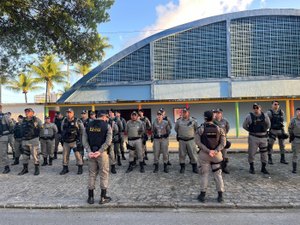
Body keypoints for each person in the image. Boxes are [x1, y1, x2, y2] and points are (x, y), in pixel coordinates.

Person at [82, 110, 112, 204]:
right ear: (103, 117)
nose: (106, 119)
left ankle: (90, 197)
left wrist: (89, 151)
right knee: (104, 173)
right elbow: (108, 141)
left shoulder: (88, 125)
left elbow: (84, 140)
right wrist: (100, 151)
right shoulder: (107, 126)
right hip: (101, 153)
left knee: (92, 174)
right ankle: (103, 197)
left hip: (91, 153)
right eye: (106, 117)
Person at [196, 110, 226, 203]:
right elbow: (223, 143)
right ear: (213, 118)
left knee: (204, 174)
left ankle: (202, 195)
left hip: (205, 155)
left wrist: (208, 151)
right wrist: (216, 151)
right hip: (217, 156)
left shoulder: (200, 129)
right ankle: (220, 195)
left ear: (205, 118)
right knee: (218, 175)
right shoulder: (219, 128)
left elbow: (198, 142)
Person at [243, 103, 271, 174]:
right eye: (254, 108)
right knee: (251, 153)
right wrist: (251, 130)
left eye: (257, 107)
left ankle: (263, 168)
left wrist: (263, 130)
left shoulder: (265, 116)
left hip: (263, 137)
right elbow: (244, 125)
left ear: (260, 108)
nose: (256, 109)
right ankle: (251, 167)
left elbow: (268, 125)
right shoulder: (249, 116)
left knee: (264, 153)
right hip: (253, 137)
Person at [18, 108, 43, 176]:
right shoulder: (23, 120)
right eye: (26, 111)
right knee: (25, 156)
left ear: (32, 113)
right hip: (24, 140)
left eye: (28, 111)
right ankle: (25, 169)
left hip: (33, 140)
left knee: (35, 155)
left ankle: (37, 169)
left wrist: (39, 137)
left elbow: (41, 128)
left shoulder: (36, 120)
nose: (26, 113)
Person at [60, 108, 85, 175]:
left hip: (74, 141)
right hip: (66, 141)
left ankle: (80, 168)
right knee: (65, 155)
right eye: (67, 112)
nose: (68, 114)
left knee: (78, 155)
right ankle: (65, 168)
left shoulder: (77, 120)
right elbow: (62, 129)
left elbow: (82, 131)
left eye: (70, 112)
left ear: (73, 113)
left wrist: (80, 140)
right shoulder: (64, 120)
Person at [175, 107, 199, 174]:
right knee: (182, 154)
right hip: (182, 140)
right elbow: (176, 129)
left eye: (185, 112)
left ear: (188, 113)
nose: (184, 114)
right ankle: (182, 167)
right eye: (183, 112)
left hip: (191, 140)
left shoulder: (193, 121)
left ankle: (194, 167)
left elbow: (196, 129)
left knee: (193, 154)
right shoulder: (179, 121)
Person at [214, 108, 231, 174]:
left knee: (224, 155)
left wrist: (223, 136)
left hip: (223, 141)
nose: (217, 114)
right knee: (216, 155)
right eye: (216, 113)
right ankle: (217, 168)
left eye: (218, 113)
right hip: (215, 141)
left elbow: (227, 129)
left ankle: (224, 167)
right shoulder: (213, 121)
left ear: (221, 114)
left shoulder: (225, 121)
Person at [0, 105, 14, 174]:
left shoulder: (4, 116)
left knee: (3, 153)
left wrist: (7, 132)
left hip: (2, 137)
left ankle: (6, 167)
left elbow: (12, 125)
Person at [288, 107, 300, 173]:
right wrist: (291, 135)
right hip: (296, 139)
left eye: (299, 111)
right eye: (297, 112)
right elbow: (290, 128)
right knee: (295, 154)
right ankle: (294, 169)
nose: (298, 113)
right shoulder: (293, 120)